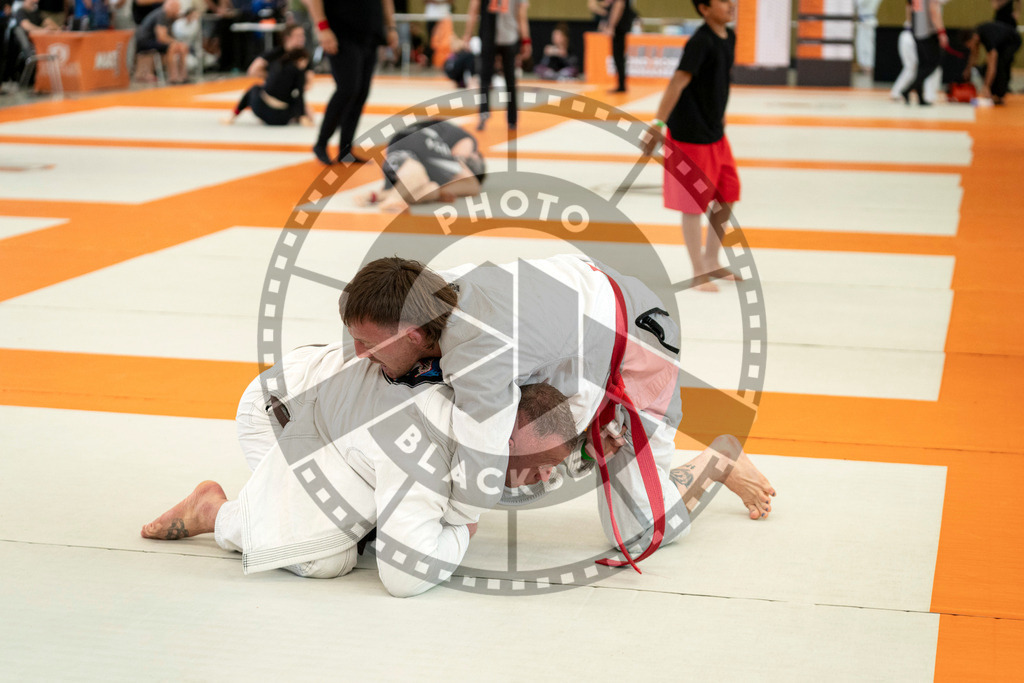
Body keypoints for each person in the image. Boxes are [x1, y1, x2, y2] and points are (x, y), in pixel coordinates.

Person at [341, 256, 776, 569]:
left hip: (636, 343)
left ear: (415, 335)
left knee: (640, 526)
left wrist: (446, 526)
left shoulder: (479, 350)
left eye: (368, 343)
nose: (359, 353)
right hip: (569, 326)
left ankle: (715, 463)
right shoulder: (419, 295)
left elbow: (481, 473)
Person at [141, 341, 577, 597]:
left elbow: (528, 453)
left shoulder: (491, 396)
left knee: (389, 509)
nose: (541, 480)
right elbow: (404, 575)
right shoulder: (429, 443)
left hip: (321, 398)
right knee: (329, 557)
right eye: (540, 468)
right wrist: (462, 530)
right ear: (505, 438)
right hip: (274, 414)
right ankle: (216, 512)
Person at [641, 0, 740, 293]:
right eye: (722, 1)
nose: (730, 5)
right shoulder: (699, 42)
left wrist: (720, 114)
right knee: (693, 204)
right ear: (704, 8)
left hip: (715, 132)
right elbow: (678, 82)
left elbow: (719, 82)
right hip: (689, 133)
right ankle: (698, 271)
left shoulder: (729, 37)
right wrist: (658, 124)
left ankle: (711, 259)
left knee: (728, 192)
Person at [305, 0, 399, 165]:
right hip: (341, 32)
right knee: (347, 89)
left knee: (361, 91)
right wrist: (322, 27)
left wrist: (391, 27)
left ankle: (345, 149)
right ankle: (321, 143)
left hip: (370, 32)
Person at [358, 118, 485, 212]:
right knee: (470, 184)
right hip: (419, 140)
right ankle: (394, 198)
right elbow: (462, 161)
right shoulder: (468, 142)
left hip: (401, 146)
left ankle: (383, 196)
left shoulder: (438, 157)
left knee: (431, 187)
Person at [224, 24, 314, 125]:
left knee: (308, 111)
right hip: (275, 109)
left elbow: (308, 84)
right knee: (254, 88)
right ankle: (233, 115)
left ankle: (233, 115)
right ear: (287, 38)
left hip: (280, 108)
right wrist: (273, 77)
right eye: (298, 36)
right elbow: (252, 70)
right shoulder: (277, 54)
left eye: (303, 35)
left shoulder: (303, 59)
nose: (302, 39)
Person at [463, 0, 531, 131]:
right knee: (510, 79)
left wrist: (468, 35)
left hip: (490, 36)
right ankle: (512, 119)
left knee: (485, 78)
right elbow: (521, 16)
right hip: (509, 37)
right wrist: (526, 40)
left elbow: (473, 10)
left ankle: (484, 114)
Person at [963, 21, 1022, 104]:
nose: (970, 47)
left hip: (1013, 41)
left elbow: (992, 66)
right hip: (1002, 41)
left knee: (1000, 65)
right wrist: (968, 69)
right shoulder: (977, 33)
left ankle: (999, 95)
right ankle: (994, 91)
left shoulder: (988, 38)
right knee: (988, 65)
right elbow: (974, 55)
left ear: (974, 38)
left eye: (969, 45)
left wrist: (986, 86)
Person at [901, 0, 947, 105]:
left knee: (922, 65)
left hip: (916, 29)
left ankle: (920, 97)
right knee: (933, 63)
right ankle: (909, 89)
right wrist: (941, 32)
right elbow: (933, 9)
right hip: (928, 31)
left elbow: (910, 8)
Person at [134, 0, 190, 83]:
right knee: (173, 47)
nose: (178, 11)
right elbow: (162, 37)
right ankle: (173, 77)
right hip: (146, 41)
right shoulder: (162, 14)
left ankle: (183, 76)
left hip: (154, 40)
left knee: (183, 47)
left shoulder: (169, 17)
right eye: (177, 9)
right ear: (171, 7)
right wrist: (176, 42)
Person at [604, 0, 634, 92]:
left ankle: (621, 84)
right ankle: (621, 84)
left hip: (619, 28)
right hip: (621, 26)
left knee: (618, 56)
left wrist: (611, 26)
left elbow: (619, 6)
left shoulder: (620, 3)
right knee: (619, 56)